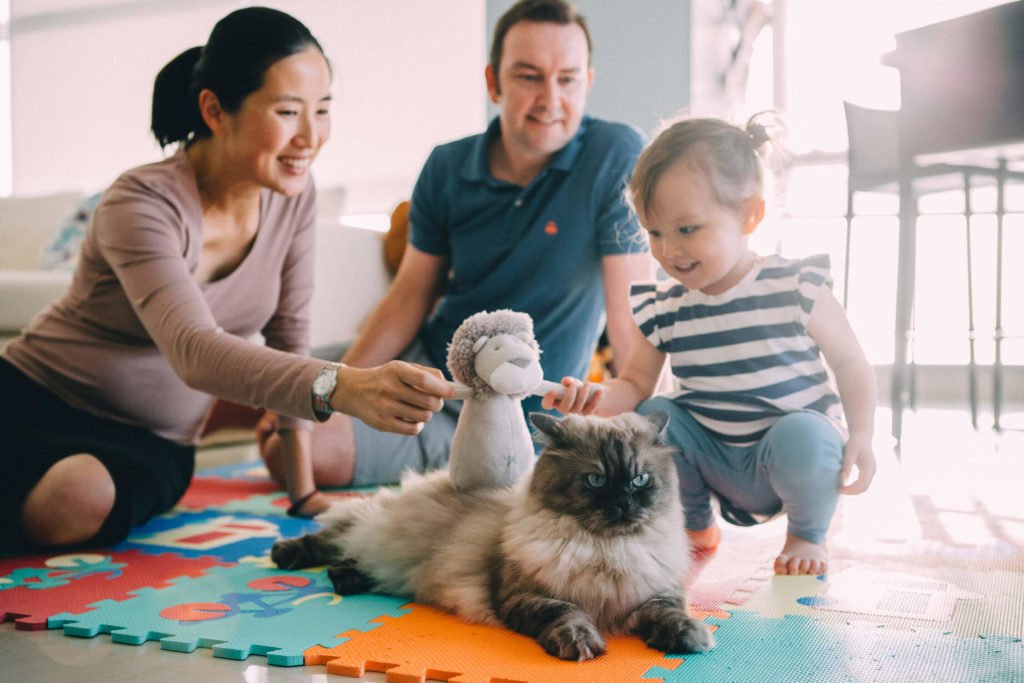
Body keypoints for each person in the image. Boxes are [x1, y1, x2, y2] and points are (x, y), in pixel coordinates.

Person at [0, 7, 451, 550]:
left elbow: (289, 335)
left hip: (153, 443)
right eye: (288, 111)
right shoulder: (139, 203)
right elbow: (193, 350)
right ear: (215, 110)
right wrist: (345, 386)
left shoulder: (293, 197)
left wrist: (304, 490)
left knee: (78, 497)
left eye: (323, 109)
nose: (311, 136)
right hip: (30, 396)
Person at [258, 0, 651, 490]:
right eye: (529, 77)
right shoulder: (446, 167)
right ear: (494, 83)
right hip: (428, 367)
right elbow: (407, 300)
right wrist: (341, 388)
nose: (551, 99)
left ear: (586, 83)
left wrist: (633, 397)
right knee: (278, 380)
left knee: (294, 453)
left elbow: (630, 309)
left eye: (567, 79)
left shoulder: (614, 155)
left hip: (501, 412)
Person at [545, 116, 878, 576]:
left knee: (806, 434)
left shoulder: (794, 286)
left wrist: (861, 433)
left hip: (785, 457)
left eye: (686, 230)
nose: (668, 250)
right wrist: (592, 400)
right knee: (655, 414)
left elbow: (851, 361)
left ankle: (806, 534)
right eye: (654, 232)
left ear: (749, 215)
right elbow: (637, 382)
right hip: (712, 458)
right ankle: (694, 525)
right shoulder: (666, 305)